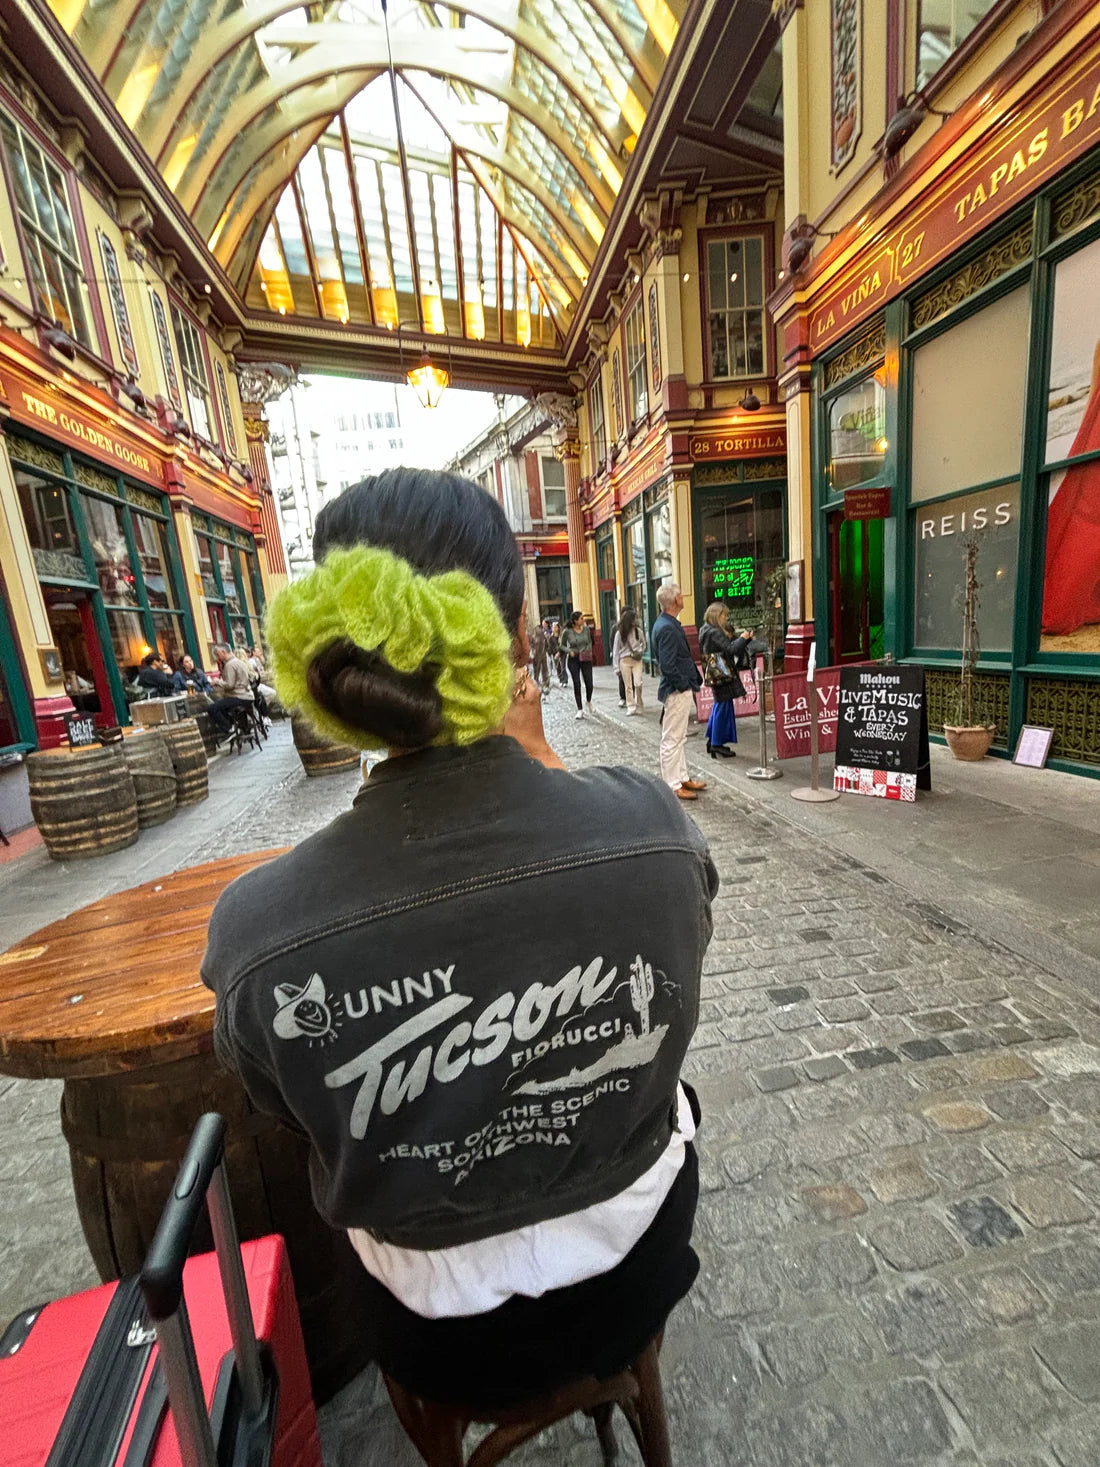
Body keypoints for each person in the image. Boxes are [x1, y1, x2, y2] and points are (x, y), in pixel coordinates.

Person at [201, 468, 716, 1411]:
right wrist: (548, 761)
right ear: (522, 634)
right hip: (635, 1271)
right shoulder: (657, 829)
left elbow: (288, 1106)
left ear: (330, 650)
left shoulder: (256, 929)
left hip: (432, 1331)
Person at [651, 584, 706, 802]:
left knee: (679, 736)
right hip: (676, 689)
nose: (683, 597)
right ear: (675, 600)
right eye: (680, 595)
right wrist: (683, 684)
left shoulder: (667, 624)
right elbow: (667, 664)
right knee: (672, 738)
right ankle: (672, 784)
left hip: (679, 688)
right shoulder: (666, 627)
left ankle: (682, 777)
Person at [697, 603, 752, 760]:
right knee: (723, 706)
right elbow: (731, 649)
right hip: (722, 672)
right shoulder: (714, 632)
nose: (725, 618)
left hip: (716, 672)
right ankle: (716, 743)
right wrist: (743, 638)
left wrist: (744, 641)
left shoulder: (706, 630)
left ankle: (712, 740)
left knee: (719, 705)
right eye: (724, 615)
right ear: (716, 615)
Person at [208, 642, 255, 738]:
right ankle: (238, 726)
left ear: (223, 652)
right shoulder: (240, 662)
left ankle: (230, 729)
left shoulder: (230, 665)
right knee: (220, 704)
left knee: (212, 708)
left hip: (239, 697)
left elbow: (230, 685)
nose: (217, 657)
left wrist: (217, 681)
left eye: (218, 654)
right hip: (248, 695)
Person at [559, 610, 594, 720]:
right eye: (581, 619)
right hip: (573, 659)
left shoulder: (586, 630)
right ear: (575, 621)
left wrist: (587, 650)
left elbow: (589, 642)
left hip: (585, 658)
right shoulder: (567, 632)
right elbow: (562, 646)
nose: (583, 620)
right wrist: (569, 651)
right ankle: (580, 709)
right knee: (577, 683)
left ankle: (588, 701)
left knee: (589, 683)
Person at [612, 607, 646, 715]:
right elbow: (616, 650)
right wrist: (616, 667)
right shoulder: (619, 634)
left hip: (636, 660)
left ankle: (639, 703)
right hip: (625, 661)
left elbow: (644, 644)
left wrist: (639, 651)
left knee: (638, 683)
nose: (635, 621)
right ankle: (631, 706)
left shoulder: (638, 631)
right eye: (633, 619)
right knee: (628, 686)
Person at [529, 618, 551, 695]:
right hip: (537, 653)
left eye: (545, 623)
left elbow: (547, 644)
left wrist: (548, 650)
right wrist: (532, 649)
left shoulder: (546, 633)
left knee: (544, 668)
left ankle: (545, 682)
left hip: (543, 653)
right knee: (537, 668)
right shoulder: (536, 631)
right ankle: (536, 680)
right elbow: (532, 641)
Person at [550, 620, 567, 686]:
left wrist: (559, 652)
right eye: (553, 627)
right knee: (558, 667)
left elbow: (564, 645)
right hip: (555, 654)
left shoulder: (561, 636)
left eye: (555, 627)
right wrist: (553, 653)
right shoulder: (551, 637)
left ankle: (565, 681)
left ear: (558, 628)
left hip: (562, 653)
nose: (554, 628)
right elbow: (550, 646)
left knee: (563, 667)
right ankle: (561, 680)